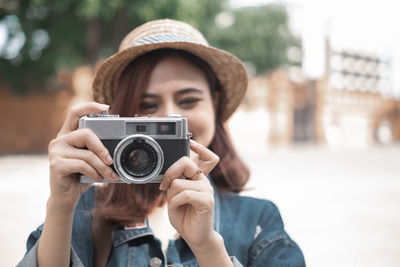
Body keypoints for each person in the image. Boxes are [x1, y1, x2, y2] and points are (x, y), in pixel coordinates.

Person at [18, 19, 305, 267]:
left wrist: (207, 246)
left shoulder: (258, 221)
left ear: (215, 104)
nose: (170, 116)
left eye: (188, 100)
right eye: (147, 105)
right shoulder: (84, 212)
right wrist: (61, 203)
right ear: (123, 119)